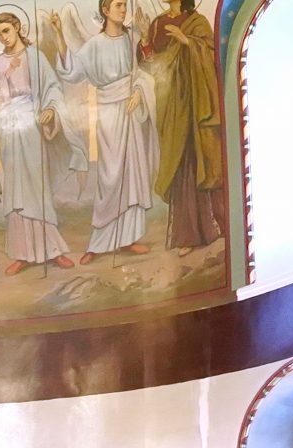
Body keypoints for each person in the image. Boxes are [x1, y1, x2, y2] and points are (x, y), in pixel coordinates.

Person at [52, 0, 158, 261]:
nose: (123, 10)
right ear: (105, 11)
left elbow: (148, 69)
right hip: (108, 112)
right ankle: (97, 245)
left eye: (124, 5)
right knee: (110, 178)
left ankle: (129, 238)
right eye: (118, 5)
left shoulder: (132, 37)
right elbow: (71, 72)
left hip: (131, 110)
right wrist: (58, 35)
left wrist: (138, 91)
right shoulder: (94, 45)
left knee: (131, 173)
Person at [0, 12, 76, 273]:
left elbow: (53, 87)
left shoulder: (35, 57)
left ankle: (53, 250)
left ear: (17, 27)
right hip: (10, 127)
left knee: (37, 186)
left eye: (6, 31)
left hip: (33, 124)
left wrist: (50, 108)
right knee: (17, 189)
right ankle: (22, 254)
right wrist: (5, 77)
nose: (3, 37)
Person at [141, 0, 225, 250]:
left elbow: (211, 55)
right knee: (178, 166)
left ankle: (214, 227)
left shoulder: (197, 22)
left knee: (198, 159)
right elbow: (150, 64)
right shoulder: (157, 24)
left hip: (195, 103)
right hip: (170, 105)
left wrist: (187, 41)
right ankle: (186, 235)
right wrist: (145, 37)